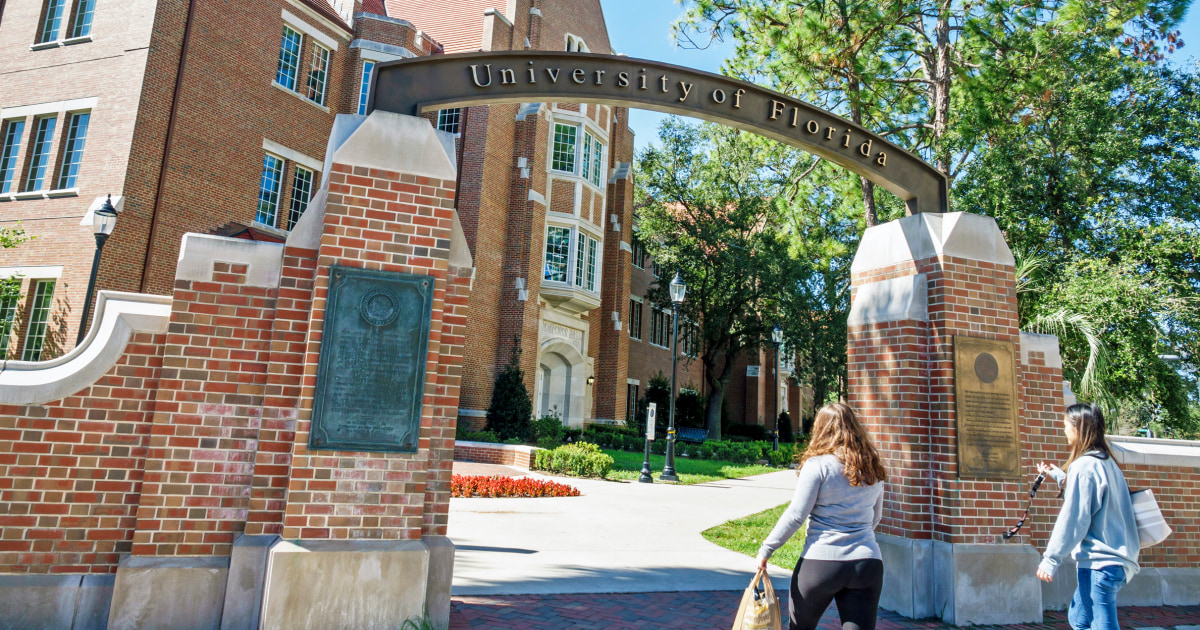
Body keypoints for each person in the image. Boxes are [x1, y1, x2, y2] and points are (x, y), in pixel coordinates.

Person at [756, 402, 886, 630]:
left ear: (821, 429)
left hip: (821, 562)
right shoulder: (873, 466)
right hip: (867, 562)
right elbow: (876, 517)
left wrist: (767, 549)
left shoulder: (817, 466)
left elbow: (797, 514)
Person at [1036, 403, 1140, 630]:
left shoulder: (1084, 466)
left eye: (1065, 425)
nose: (1063, 430)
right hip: (1118, 561)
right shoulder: (1107, 462)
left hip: (1100, 564)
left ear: (1078, 428)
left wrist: (1051, 559)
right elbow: (1091, 495)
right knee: (1079, 619)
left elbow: (1074, 518)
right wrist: (1057, 475)